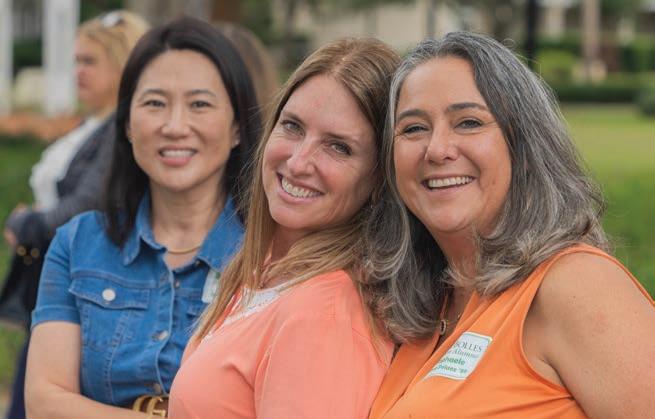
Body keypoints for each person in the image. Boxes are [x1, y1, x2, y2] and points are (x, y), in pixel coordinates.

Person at [367, 32, 655, 418]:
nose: (436, 149)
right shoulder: (425, 310)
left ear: (523, 145)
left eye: (468, 122)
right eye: (414, 128)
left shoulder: (574, 285)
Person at [25, 17, 261, 418]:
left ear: (238, 126)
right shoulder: (78, 244)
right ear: (128, 125)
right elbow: (44, 403)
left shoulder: (273, 256)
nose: (175, 126)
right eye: (154, 103)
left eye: (199, 104)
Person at [169, 38, 401, 418]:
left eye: (338, 147)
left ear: (379, 179)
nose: (297, 162)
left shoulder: (324, 313)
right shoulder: (267, 270)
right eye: (292, 126)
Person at [1, 10, 148, 419]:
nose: (78, 72)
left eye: (89, 61)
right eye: (76, 61)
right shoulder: (93, 124)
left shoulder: (120, 130)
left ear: (121, 65)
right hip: (52, 281)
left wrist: (24, 223)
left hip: (85, 285)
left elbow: (86, 206)